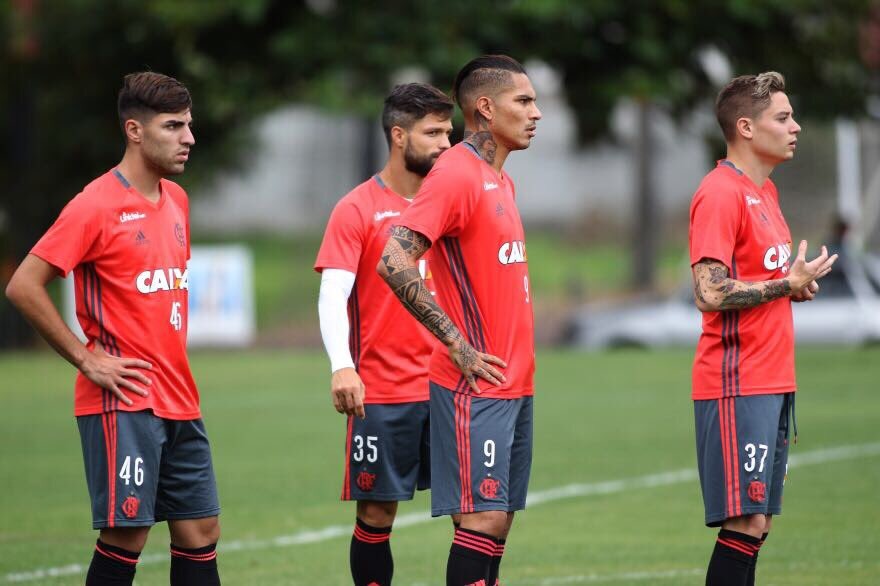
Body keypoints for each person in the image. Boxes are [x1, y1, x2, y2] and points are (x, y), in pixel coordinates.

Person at [5, 72, 221, 586]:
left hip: (179, 396)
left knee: (200, 529)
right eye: (173, 126)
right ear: (135, 131)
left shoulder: (178, 202)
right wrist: (86, 357)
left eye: (189, 125)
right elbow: (23, 285)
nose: (188, 137)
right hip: (122, 401)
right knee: (128, 534)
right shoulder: (94, 205)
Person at [377, 55, 541, 586]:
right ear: (486, 109)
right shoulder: (456, 173)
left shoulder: (500, 181)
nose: (536, 113)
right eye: (524, 101)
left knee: (498, 525)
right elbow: (393, 258)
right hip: (475, 385)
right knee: (481, 519)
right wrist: (456, 343)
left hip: (514, 382)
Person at [689, 72, 837, 586]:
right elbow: (708, 291)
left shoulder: (765, 192)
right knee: (744, 520)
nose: (795, 126)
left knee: (758, 523)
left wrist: (792, 286)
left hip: (772, 380)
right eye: (783, 117)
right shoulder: (720, 193)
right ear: (746, 127)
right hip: (736, 381)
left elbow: (758, 279)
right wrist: (781, 286)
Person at [314, 82, 454, 585]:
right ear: (398, 136)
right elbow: (333, 295)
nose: (445, 143)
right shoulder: (356, 208)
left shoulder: (456, 203)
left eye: (448, 131)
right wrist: (342, 365)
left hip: (453, 386)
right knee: (376, 518)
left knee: (477, 517)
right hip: (386, 392)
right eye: (432, 132)